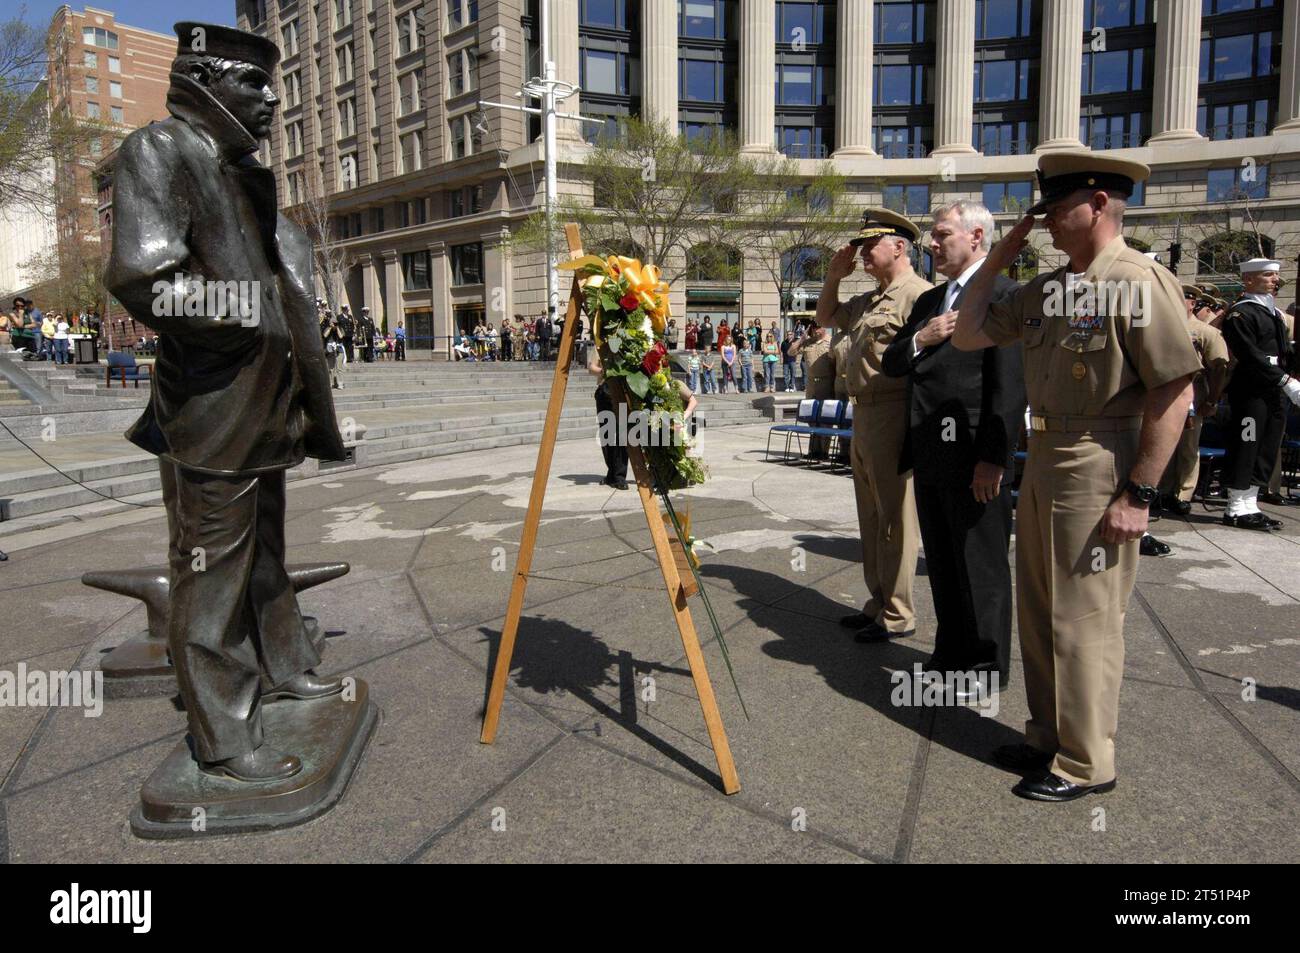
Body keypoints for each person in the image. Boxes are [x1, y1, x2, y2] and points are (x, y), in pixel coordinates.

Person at [104, 22, 347, 781]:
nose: (273, 98)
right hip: (213, 408)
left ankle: (283, 664)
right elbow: (144, 278)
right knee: (210, 576)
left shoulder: (237, 167)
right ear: (206, 83)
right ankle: (225, 736)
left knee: (266, 553)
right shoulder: (162, 150)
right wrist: (253, 314)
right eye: (255, 85)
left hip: (264, 402)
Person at [953, 152, 1201, 801]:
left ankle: (1088, 760)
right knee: (1039, 609)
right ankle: (1047, 736)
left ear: (1095, 203)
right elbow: (969, 332)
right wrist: (999, 258)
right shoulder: (1046, 286)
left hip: (1100, 459)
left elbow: (1173, 392)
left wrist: (1140, 491)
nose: (1046, 226)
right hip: (1044, 458)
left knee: (1085, 617)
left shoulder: (1141, 280)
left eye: (1055, 212)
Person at [881, 201, 1024, 694]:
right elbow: (893, 362)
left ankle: (985, 669)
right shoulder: (930, 302)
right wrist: (922, 337)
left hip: (974, 457)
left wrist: (993, 458)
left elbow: (1007, 389)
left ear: (977, 237)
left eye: (942, 234)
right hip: (930, 453)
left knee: (980, 565)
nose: (933, 244)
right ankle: (951, 655)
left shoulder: (1005, 295)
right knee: (943, 560)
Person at [813, 208, 933, 642]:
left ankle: (899, 613)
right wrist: (833, 277)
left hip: (894, 413)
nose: (861, 253)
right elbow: (826, 319)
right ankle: (878, 602)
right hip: (862, 414)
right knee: (870, 517)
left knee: (896, 518)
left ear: (899, 247)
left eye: (869, 246)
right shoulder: (868, 300)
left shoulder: (920, 296)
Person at [1220, 258, 1300, 528]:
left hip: (1273, 391)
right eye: (1267, 276)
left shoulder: (1274, 313)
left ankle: (1250, 504)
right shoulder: (1241, 313)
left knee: (1266, 446)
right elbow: (1251, 355)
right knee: (1246, 445)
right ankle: (1234, 507)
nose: (1274, 281)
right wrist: (1286, 381)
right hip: (1251, 391)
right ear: (1249, 280)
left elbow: (1282, 354)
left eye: (1275, 276)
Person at [1156, 285, 1232, 514]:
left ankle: (1183, 494)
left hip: (1192, 389)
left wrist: (1211, 399)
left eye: (1188, 300)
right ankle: (1162, 490)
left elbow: (1221, 367)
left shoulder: (1204, 332)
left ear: (1193, 304)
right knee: (1161, 442)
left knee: (1188, 445)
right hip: (1161, 389)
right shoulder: (1159, 326)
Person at [789, 324, 834, 457]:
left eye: (818, 327)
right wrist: (802, 338)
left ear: (825, 327)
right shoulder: (808, 342)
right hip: (811, 385)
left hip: (826, 383)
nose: (816, 330)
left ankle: (824, 451)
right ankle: (814, 450)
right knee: (812, 419)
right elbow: (790, 352)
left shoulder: (831, 341)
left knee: (826, 419)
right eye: (813, 328)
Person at [589, 351, 629, 489]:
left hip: (621, 392)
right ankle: (611, 473)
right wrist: (604, 371)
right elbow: (591, 368)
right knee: (606, 435)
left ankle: (620, 476)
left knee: (620, 435)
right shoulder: (600, 346)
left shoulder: (626, 345)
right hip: (604, 391)